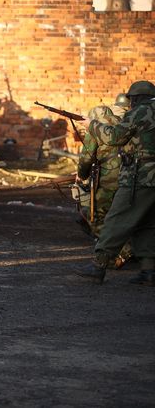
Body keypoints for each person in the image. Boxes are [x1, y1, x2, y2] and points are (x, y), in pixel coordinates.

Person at [75, 80, 155, 286]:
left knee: (117, 220)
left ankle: (98, 265)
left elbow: (114, 137)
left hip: (141, 177)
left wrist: (91, 125)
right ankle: (149, 270)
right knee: (147, 223)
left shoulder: (140, 112)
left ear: (135, 99)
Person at [76, 94, 132, 268]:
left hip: (109, 182)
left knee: (94, 216)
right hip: (132, 178)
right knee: (128, 216)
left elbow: (86, 159)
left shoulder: (95, 131)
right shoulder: (125, 127)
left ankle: (125, 250)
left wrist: (82, 176)